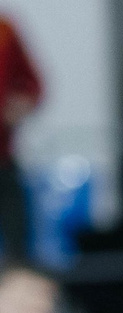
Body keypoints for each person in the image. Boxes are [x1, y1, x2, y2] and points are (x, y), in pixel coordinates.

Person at [0, 14, 39, 263]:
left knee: (18, 251)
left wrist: (18, 106)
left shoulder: (5, 30)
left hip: (3, 157)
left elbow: (33, 85)